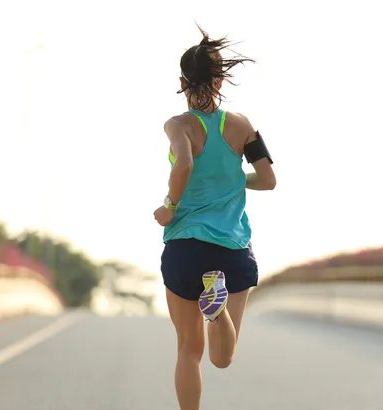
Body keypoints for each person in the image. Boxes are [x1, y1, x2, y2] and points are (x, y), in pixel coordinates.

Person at [153, 24, 276, 410]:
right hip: (232, 249)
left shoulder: (178, 125)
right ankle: (217, 308)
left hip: (186, 244)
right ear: (221, 80)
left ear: (181, 81)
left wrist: (169, 206)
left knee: (189, 351)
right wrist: (237, 180)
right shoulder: (242, 125)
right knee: (223, 356)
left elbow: (185, 164)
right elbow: (269, 180)